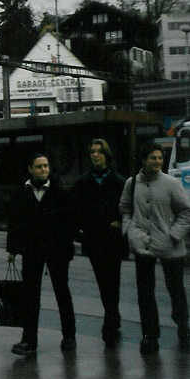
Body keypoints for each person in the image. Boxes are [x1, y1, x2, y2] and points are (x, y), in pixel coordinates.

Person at [120, 142, 190, 354]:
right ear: (143, 160)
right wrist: (129, 231)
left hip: (171, 246)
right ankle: (150, 335)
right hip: (142, 244)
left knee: (176, 290)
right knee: (145, 293)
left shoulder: (171, 183)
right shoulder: (131, 183)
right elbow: (124, 208)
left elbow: (186, 212)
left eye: (160, 158)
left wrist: (174, 234)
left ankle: (183, 327)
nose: (158, 162)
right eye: (153, 158)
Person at [7, 152, 77, 357]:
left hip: (57, 250)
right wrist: (12, 249)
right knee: (30, 296)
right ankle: (29, 340)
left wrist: (66, 245)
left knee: (62, 292)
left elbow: (70, 221)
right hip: (31, 250)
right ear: (30, 169)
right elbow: (14, 222)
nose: (44, 170)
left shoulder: (59, 191)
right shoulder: (21, 193)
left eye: (46, 166)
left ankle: (69, 336)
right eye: (39, 167)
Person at [74, 138, 125, 347]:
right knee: (102, 280)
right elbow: (76, 211)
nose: (95, 155)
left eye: (99, 151)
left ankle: (111, 318)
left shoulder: (119, 182)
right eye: (92, 151)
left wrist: (120, 222)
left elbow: (128, 208)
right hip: (94, 239)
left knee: (113, 279)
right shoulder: (83, 182)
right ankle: (111, 313)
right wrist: (81, 231)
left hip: (113, 240)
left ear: (107, 155)